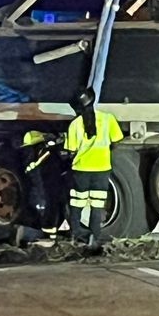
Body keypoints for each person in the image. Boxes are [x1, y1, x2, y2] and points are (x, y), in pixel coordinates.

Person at [65, 88, 124, 253]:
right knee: (96, 206)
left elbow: (70, 149)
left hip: (81, 170)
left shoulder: (74, 125)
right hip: (101, 169)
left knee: (77, 205)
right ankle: (94, 236)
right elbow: (116, 141)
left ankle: (75, 235)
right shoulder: (107, 119)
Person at [10, 129, 66, 247]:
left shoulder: (38, 153)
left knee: (46, 208)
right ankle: (45, 236)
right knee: (48, 208)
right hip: (45, 187)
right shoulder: (44, 153)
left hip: (43, 186)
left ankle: (42, 234)